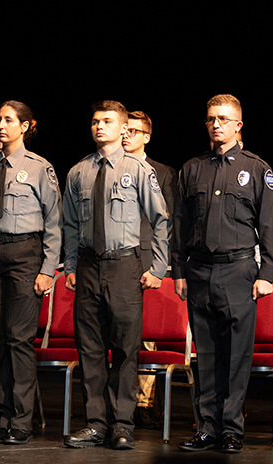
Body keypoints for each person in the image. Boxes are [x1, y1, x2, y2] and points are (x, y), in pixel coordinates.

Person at [62, 100, 170, 450]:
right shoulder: (78, 171)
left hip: (124, 265)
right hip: (89, 265)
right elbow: (68, 224)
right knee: (90, 348)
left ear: (124, 129)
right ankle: (95, 423)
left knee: (125, 348)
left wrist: (157, 266)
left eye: (107, 121)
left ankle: (122, 424)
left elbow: (160, 219)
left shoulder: (138, 170)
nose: (99, 126)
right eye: (95, 121)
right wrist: (69, 264)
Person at [173, 94, 273, 454]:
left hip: (239, 270)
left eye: (223, 119)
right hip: (199, 270)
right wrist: (178, 270)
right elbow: (180, 224)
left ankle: (232, 428)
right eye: (210, 119)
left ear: (238, 126)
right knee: (205, 354)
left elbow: (268, 225)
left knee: (235, 356)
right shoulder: (192, 168)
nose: (215, 124)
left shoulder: (257, 168)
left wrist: (267, 273)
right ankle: (207, 428)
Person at [0, 100, 61, 445]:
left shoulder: (39, 167)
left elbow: (54, 221)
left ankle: (21, 420)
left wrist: (48, 269)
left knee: (17, 337)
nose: (1, 125)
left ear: (25, 126)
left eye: (9, 120)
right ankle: (3, 416)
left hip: (25, 253)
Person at [122, 110, 179, 429]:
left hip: (146, 260)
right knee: (120, 333)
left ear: (146, 136)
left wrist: (161, 263)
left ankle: (143, 404)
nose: (127, 134)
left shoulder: (163, 172)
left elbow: (165, 222)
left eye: (134, 130)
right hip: (115, 258)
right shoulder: (110, 166)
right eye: (124, 129)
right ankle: (119, 398)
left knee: (146, 335)